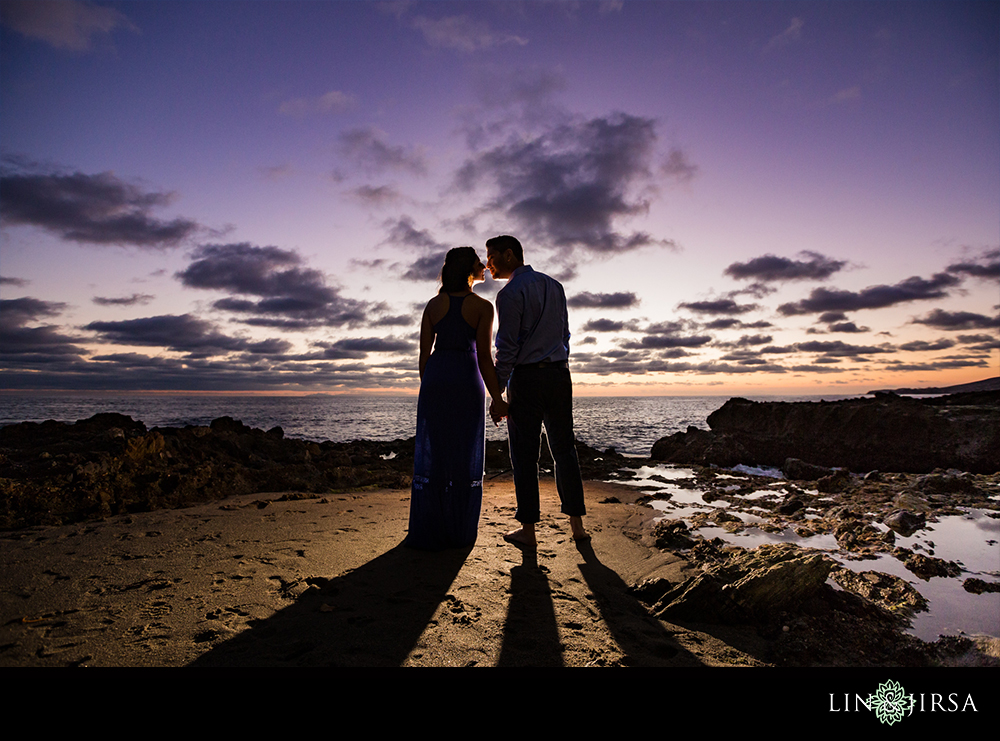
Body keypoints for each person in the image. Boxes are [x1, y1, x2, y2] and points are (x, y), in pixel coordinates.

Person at [485, 235, 589, 549]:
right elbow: (565, 332)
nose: (488, 264)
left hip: (528, 379)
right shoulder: (555, 286)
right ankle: (577, 527)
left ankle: (528, 531)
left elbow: (507, 348)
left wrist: (497, 394)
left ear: (508, 254)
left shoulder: (509, 293)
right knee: (564, 451)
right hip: (559, 375)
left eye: (491, 257)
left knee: (525, 456)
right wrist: (559, 359)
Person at [405, 247, 509, 550]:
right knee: (463, 455)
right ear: (468, 271)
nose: (485, 267)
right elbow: (485, 359)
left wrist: (432, 387)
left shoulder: (433, 305)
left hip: (436, 378)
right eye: (479, 263)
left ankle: (430, 528)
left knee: (435, 454)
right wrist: (498, 397)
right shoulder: (482, 306)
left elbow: (424, 357)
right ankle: (458, 530)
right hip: (466, 377)